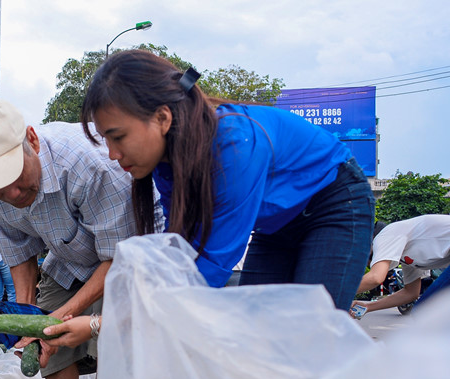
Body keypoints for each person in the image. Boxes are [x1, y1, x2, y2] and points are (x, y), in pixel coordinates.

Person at [42, 49, 375, 347]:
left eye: (119, 137)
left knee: (309, 339)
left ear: (162, 118)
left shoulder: (234, 146)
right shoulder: (166, 165)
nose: (112, 154)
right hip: (277, 227)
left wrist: (103, 324)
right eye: (105, 140)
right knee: (259, 339)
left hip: (334, 205)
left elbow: (204, 277)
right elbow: (181, 258)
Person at [0, 98, 149, 379]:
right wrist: (25, 323)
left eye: (13, 177)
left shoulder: (90, 165)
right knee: (50, 345)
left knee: (116, 344)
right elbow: (21, 259)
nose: (11, 194)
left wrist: (59, 319)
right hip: (68, 258)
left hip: (126, 255)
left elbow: (118, 255)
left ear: (32, 140)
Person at [349, 214, 450, 317]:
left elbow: (375, 277)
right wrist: (368, 306)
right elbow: (410, 293)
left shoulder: (386, 235)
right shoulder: (406, 256)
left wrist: (335, 293)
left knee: (424, 311)